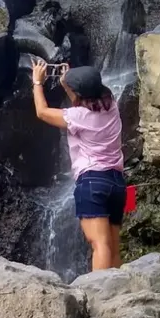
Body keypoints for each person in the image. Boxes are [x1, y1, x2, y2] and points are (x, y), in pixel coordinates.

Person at [31, 58, 126, 271]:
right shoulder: (112, 105)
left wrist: (37, 83)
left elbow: (42, 112)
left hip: (93, 183)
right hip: (117, 184)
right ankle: (120, 292)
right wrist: (68, 83)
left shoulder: (78, 117)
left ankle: (100, 295)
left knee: (100, 245)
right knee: (113, 246)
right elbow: (84, 99)